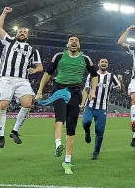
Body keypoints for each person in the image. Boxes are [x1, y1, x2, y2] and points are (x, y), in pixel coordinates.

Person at [36, 35, 98, 175]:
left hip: (76, 92)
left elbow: (94, 75)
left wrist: (93, 91)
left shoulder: (85, 59)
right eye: (71, 40)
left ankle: (67, 161)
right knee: (60, 117)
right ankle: (58, 143)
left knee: (71, 126)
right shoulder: (59, 56)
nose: (74, 42)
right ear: (67, 44)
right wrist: (40, 90)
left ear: (79, 45)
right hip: (60, 90)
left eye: (76, 40)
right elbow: (48, 73)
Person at [0, 7, 43, 148]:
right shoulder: (8, 41)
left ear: (28, 35)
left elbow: (40, 67)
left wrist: (34, 70)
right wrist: (4, 13)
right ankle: (1, 136)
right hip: (6, 77)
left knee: (28, 103)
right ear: (16, 33)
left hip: (22, 80)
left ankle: (14, 131)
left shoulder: (32, 50)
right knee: (3, 105)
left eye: (24, 32)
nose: (22, 33)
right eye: (20, 31)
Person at [81, 58, 125, 160]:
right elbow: (86, 89)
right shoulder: (92, 75)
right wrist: (82, 103)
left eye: (106, 62)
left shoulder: (111, 76)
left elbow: (121, 91)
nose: (104, 63)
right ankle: (87, 132)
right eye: (102, 62)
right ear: (98, 64)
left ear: (107, 65)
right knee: (86, 122)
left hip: (102, 108)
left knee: (99, 131)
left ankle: (96, 152)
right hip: (90, 106)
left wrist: (121, 82)